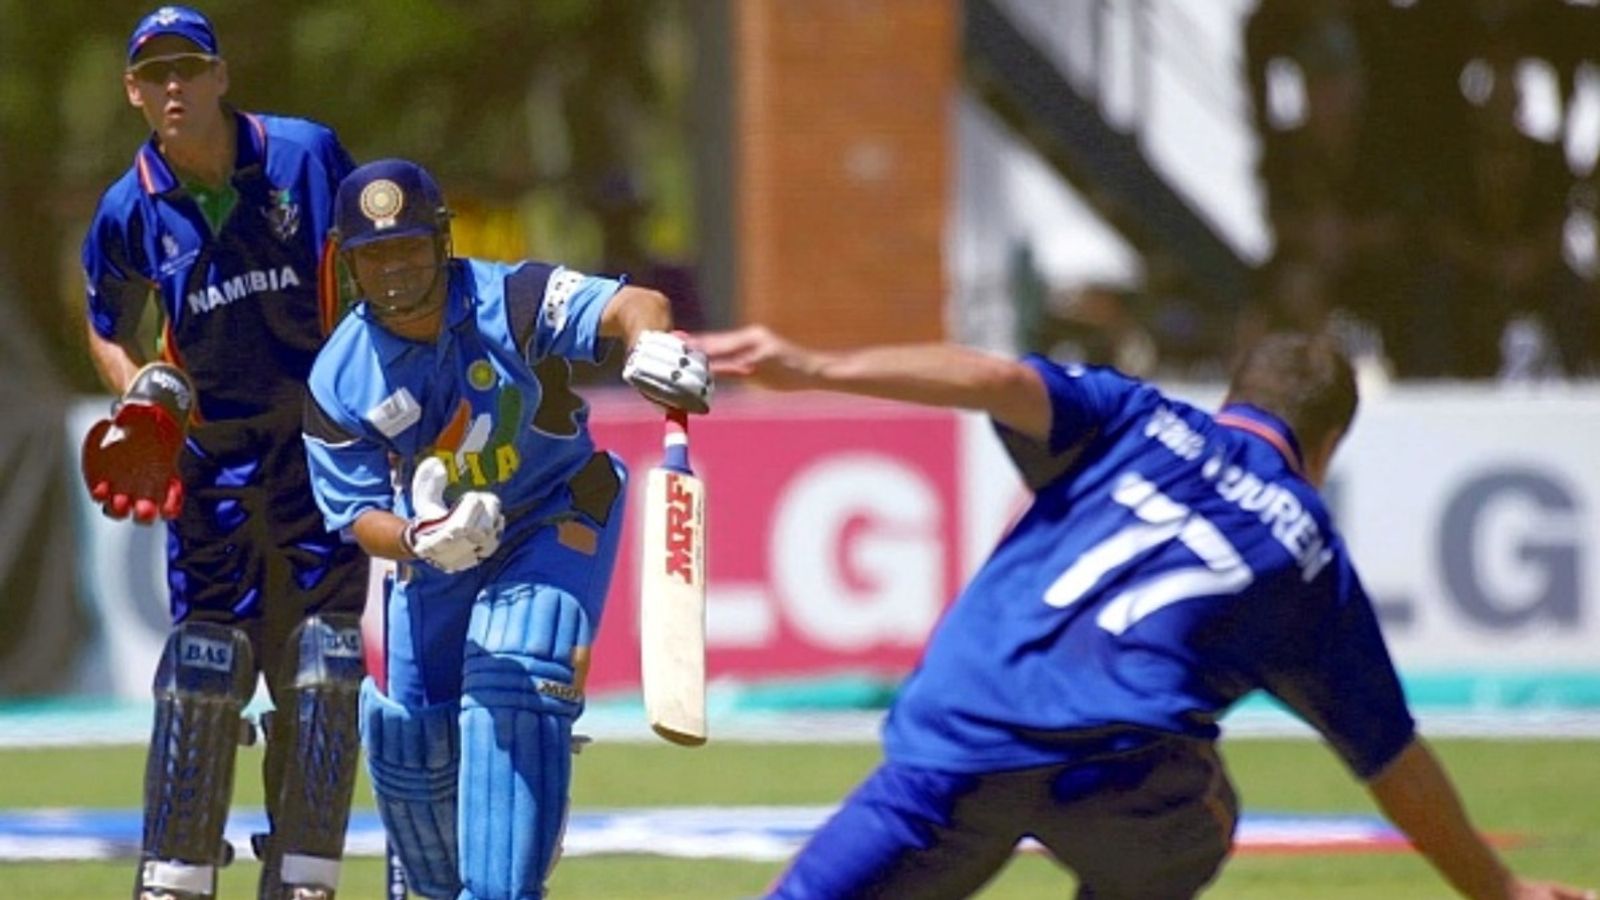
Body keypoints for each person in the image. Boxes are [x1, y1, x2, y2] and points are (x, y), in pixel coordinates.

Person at [695, 326, 1593, 900]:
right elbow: (1391, 758)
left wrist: (815, 364)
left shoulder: (1135, 416)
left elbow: (997, 377)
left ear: (1231, 398)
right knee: (1210, 820)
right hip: (1119, 772)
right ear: (1324, 448)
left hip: (956, 737)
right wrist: (1502, 891)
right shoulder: (1308, 548)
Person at [300, 158, 711, 900]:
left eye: (409, 248)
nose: (394, 270)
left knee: (515, 672)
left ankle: (507, 884)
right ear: (349, 261)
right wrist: (422, 541)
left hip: (555, 507)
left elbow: (634, 304)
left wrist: (651, 345)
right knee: (413, 746)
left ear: (443, 244)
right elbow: (359, 515)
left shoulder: (510, 298)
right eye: (374, 255)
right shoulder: (339, 376)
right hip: (435, 549)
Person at [78, 6, 367, 898]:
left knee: (324, 674)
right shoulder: (130, 208)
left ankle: (303, 876)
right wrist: (139, 395)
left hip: (319, 460)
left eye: (188, 69)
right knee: (203, 676)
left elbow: (387, 262)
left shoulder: (306, 156)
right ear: (133, 92)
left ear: (220, 76)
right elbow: (104, 326)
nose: (174, 87)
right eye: (155, 74)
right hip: (210, 473)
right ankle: (174, 875)